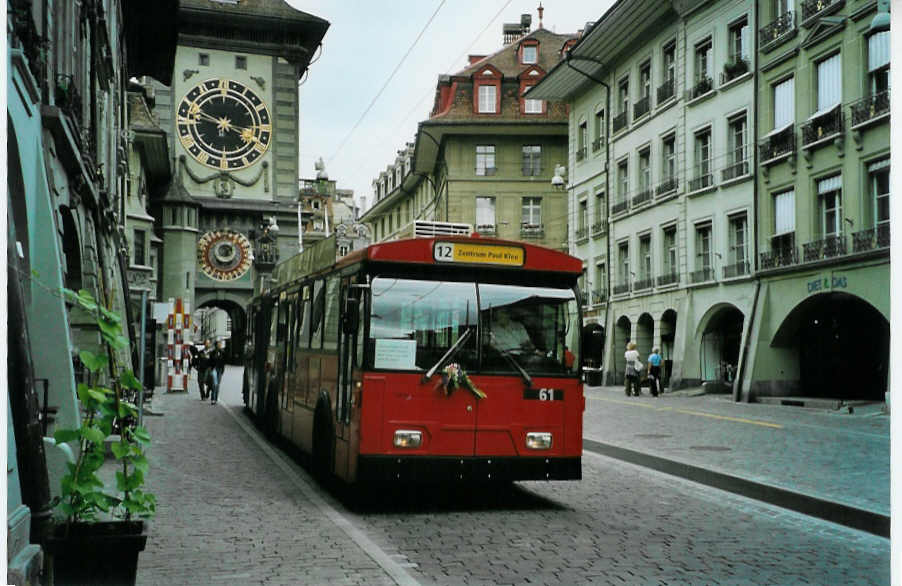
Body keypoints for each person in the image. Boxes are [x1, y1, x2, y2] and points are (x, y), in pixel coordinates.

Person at [208, 341, 226, 405]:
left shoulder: (222, 352)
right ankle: (212, 399)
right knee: (214, 384)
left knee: (218, 385)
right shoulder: (212, 353)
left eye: (220, 344)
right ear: (216, 345)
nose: (220, 345)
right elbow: (210, 362)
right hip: (214, 369)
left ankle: (216, 399)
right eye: (218, 344)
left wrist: (223, 370)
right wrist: (210, 369)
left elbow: (224, 362)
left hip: (220, 370)